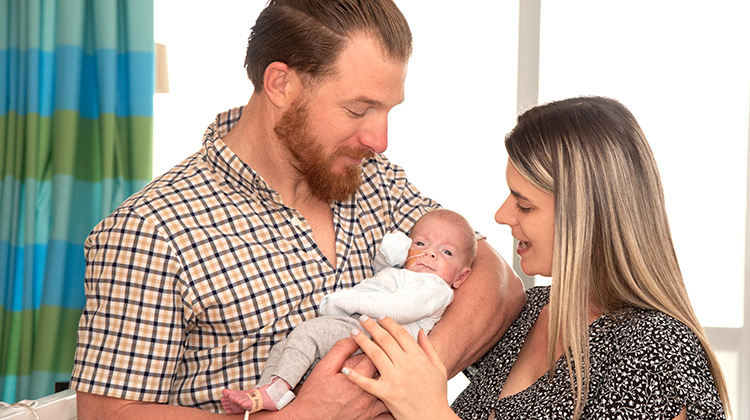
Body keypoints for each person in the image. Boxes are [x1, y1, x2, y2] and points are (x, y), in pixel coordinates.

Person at [69, 0, 526, 419]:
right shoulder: (150, 229)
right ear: (281, 84)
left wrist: (397, 380)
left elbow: (498, 282)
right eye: (358, 109)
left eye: (388, 110)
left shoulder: (377, 179)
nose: (379, 139)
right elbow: (109, 414)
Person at [342, 96, 731, 420]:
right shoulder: (533, 312)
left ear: (585, 217)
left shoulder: (660, 351)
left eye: (524, 206)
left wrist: (430, 412)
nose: (501, 215)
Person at [221, 209, 477, 415]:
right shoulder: (405, 274)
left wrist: (345, 301)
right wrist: (390, 256)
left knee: (309, 333)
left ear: (461, 276)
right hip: (364, 331)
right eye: (421, 243)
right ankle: (266, 393)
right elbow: (381, 279)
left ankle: (276, 391)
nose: (430, 253)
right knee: (286, 347)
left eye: (446, 252)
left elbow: (396, 309)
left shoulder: (435, 286)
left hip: (377, 338)